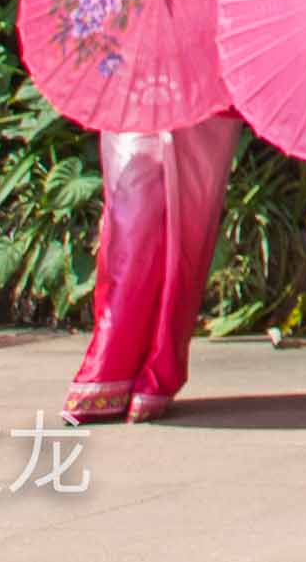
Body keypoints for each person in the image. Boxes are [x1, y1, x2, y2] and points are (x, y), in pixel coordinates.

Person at [64, 110, 244, 424]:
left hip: (206, 79)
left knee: (190, 212)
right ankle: (108, 367)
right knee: (130, 216)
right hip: (135, 77)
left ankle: (160, 369)